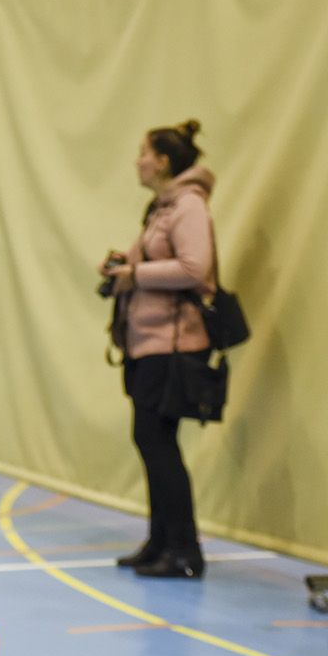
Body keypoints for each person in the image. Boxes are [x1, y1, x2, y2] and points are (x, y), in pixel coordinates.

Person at [100, 119, 216, 579]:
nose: (138, 161)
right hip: (147, 341)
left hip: (172, 344)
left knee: (158, 443)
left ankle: (186, 551)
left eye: (144, 152)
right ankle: (161, 541)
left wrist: (137, 275)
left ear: (164, 161)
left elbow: (194, 267)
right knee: (151, 442)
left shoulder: (188, 205)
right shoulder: (162, 207)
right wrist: (123, 267)